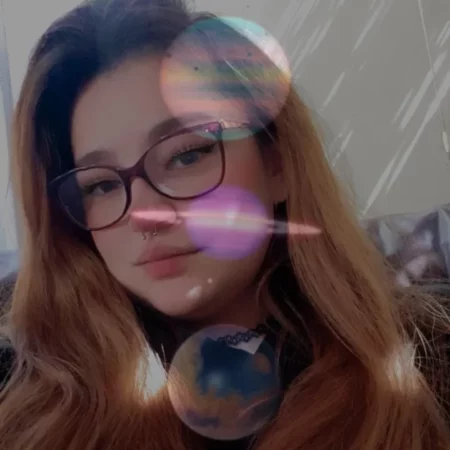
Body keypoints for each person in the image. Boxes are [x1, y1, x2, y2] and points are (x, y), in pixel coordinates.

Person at [0, 0, 449, 448]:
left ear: (277, 162)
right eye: (99, 185)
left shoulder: (429, 369)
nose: (146, 216)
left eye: (186, 155)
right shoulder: (27, 395)